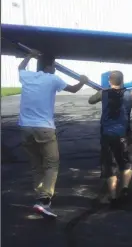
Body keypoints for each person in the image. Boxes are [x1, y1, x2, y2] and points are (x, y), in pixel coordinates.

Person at [18, 51, 89, 219]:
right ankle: (44, 201)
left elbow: (20, 67)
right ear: (49, 66)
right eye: (54, 66)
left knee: (36, 165)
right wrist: (82, 81)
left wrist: (29, 55)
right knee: (52, 164)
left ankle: (40, 199)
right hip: (44, 128)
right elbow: (72, 90)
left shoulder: (27, 76)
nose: (55, 69)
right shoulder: (52, 79)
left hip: (25, 127)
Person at [88, 71, 132, 207]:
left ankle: (112, 196)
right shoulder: (131, 94)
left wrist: (101, 93)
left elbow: (90, 100)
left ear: (110, 81)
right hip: (123, 135)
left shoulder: (103, 93)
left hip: (107, 135)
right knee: (127, 162)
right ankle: (124, 189)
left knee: (110, 165)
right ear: (122, 80)